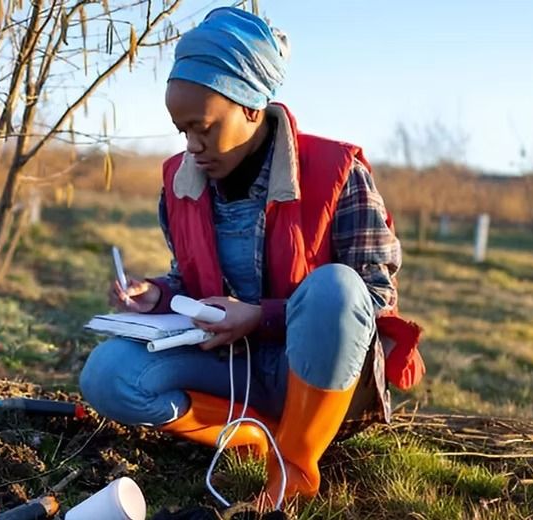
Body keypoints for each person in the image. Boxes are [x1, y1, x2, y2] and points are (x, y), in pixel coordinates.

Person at [80, 7, 423, 504]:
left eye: (203, 127)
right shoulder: (179, 183)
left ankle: (295, 468)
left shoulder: (337, 171)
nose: (193, 146)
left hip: (314, 374)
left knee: (336, 286)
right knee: (108, 375)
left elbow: (372, 298)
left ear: (251, 108)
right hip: (229, 366)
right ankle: (257, 436)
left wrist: (259, 318)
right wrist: (160, 293)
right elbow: (193, 278)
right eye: (183, 131)